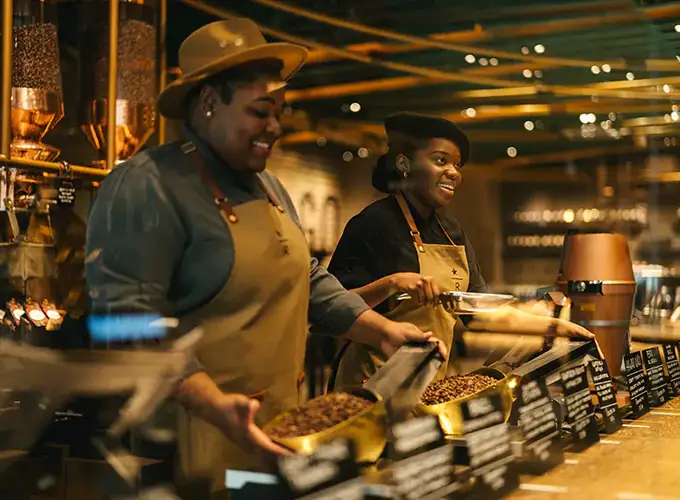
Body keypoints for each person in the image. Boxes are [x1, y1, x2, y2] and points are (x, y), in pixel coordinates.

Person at [84, 19, 443, 492]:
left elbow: (308, 279)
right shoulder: (147, 184)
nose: (275, 128)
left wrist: (382, 331)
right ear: (209, 103)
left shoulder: (270, 187)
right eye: (260, 112)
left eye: (279, 112)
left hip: (276, 431)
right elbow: (123, 319)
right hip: (187, 445)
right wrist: (211, 401)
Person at [328, 112, 593, 391]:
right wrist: (391, 284)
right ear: (404, 163)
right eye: (440, 161)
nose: (454, 172)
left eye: (457, 164)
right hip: (370, 384)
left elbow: (480, 313)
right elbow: (331, 309)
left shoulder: (451, 231)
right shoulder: (373, 224)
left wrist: (555, 327)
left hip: (429, 383)